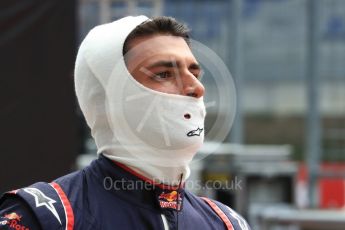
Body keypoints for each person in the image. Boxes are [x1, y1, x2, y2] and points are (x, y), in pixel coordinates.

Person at [0, 15, 250, 230]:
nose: (197, 88)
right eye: (164, 74)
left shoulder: (226, 223)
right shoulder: (42, 217)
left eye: (194, 73)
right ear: (107, 97)